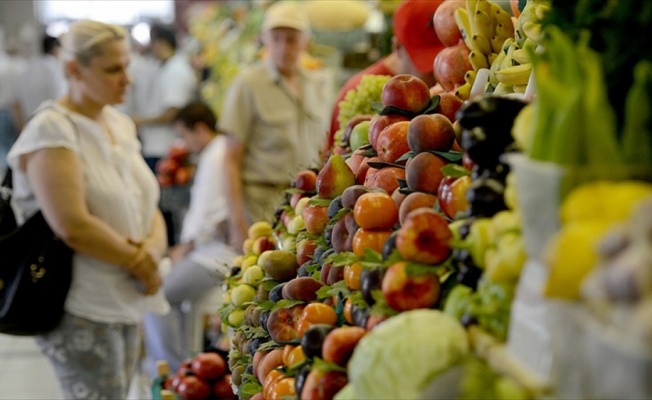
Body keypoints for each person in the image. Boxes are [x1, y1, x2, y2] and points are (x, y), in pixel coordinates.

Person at [6, 20, 168, 399]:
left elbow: (147, 203)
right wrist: (141, 263)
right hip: (82, 304)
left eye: (127, 65)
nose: (126, 78)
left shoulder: (118, 123)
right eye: (113, 69)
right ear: (74, 70)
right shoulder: (53, 130)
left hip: (127, 297)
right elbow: (72, 225)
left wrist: (154, 252)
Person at [219, 0, 332, 251]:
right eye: (276, 38)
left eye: (291, 39)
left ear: (305, 41)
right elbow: (230, 160)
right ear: (264, 40)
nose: (283, 47)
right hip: (260, 207)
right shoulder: (247, 85)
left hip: (304, 206)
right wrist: (237, 225)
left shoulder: (317, 83)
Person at [142, 101, 238, 378]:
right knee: (168, 290)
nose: (184, 144)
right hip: (207, 248)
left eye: (184, 135)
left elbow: (212, 213)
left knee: (157, 294)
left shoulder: (217, 155)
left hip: (216, 254)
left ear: (200, 130)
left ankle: (173, 373)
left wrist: (185, 247)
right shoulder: (216, 153)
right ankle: (182, 362)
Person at [327, 0, 446, 148]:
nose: (441, 73)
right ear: (396, 47)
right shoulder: (355, 91)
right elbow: (332, 163)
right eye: (429, 63)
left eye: (447, 58)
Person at [132, 24, 198, 172]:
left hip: (166, 146)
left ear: (161, 43)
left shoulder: (176, 71)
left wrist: (141, 121)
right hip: (156, 144)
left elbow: (173, 112)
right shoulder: (163, 66)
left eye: (152, 42)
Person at [13, 34, 67, 131]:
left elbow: (16, 102)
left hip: (30, 125)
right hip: (53, 125)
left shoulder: (28, 68)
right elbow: (61, 98)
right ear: (55, 49)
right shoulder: (56, 68)